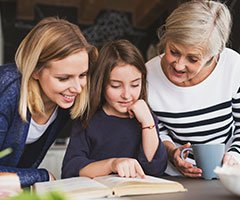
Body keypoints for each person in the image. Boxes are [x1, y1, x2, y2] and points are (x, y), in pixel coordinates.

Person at [146, 0, 240, 178]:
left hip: (229, 174)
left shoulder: (234, 67)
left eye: (193, 59)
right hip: (175, 177)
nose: (179, 65)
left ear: (215, 54)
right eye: (174, 51)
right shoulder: (147, 76)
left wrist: (234, 156)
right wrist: (172, 153)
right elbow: (158, 130)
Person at [0, 17, 97, 187]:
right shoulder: (7, 87)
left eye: (82, 75)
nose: (77, 88)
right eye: (63, 78)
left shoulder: (64, 101)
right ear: (35, 70)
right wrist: (41, 176)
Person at [62, 39, 167, 179]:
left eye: (135, 85)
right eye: (116, 86)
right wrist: (112, 164)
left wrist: (148, 122)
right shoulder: (87, 120)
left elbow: (155, 168)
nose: (127, 95)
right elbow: (71, 169)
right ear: (101, 83)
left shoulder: (145, 118)